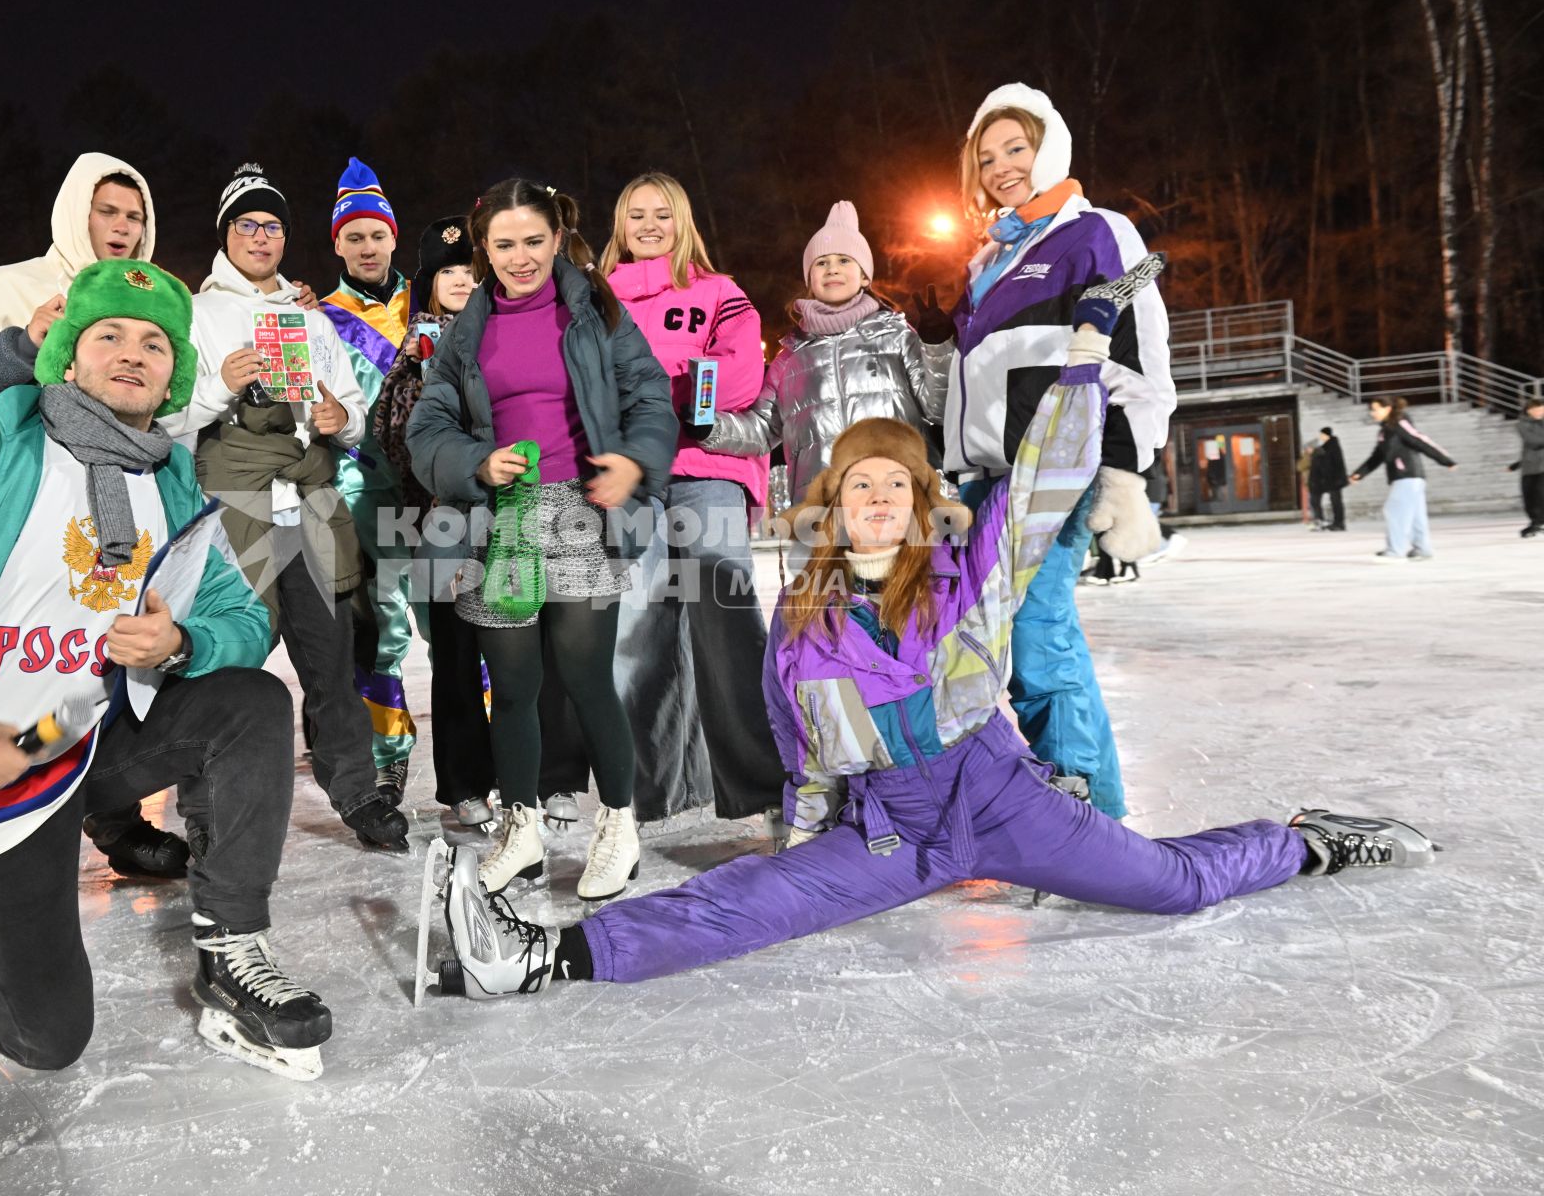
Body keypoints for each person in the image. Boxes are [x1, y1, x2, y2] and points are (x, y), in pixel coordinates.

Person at [437, 311, 1435, 1001]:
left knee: (1172, 884)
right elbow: (803, 741)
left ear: (921, 501)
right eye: (860, 481)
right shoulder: (806, 613)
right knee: (743, 904)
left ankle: (1307, 839)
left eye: (897, 483)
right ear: (833, 502)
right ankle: (539, 956)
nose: (878, 495)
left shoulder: (969, 577)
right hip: (889, 829)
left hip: (1006, 802)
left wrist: (1086, 354)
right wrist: (805, 835)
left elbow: (1046, 480)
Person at [0, 258, 331, 1080]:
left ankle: (233, 949)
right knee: (46, 1038)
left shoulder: (179, 492)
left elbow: (242, 619)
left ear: (175, 374)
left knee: (250, 702)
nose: (132, 353)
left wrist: (182, 644)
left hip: (89, 737)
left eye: (156, 343)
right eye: (109, 335)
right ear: (67, 352)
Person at [0, 152, 191, 879]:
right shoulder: (18, 285)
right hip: (20, 496)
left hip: (121, 497)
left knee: (113, 646)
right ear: (76, 213)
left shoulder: (150, 297)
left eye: (136, 216)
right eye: (108, 211)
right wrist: (25, 340)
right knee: (19, 653)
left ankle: (114, 813)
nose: (124, 227)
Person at [407, 179, 675, 901]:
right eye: (504, 245)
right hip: (504, 519)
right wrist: (474, 464)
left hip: (583, 509)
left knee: (585, 679)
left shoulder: (596, 311)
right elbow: (427, 428)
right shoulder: (468, 328)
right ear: (483, 247)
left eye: (533, 241)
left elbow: (649, 397)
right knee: (516, 689)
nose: (520, 258)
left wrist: (635, 461)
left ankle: (619, 824)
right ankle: (520, 833)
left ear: (558, 238)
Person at [929, 82, 1176, 822]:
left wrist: (1126, 475)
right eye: (987, 155)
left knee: (1037, 634)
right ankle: (1033, 796)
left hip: (1052, 474)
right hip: (982, 481)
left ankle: (1087, 814)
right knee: (974, 645)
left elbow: (1140, 353)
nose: (1002, 165)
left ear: (1050, 146)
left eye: (1017, 147)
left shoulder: (1098, 231)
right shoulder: (987, 260)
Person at [163, 164, 406, 851]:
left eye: (272, 225)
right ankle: (206, 806)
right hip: (234, 503)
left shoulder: (309, 316)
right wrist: (217, 387)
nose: (261, 237)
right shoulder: (197, 314)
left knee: (331, 656)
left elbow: (355, 415)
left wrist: (340, 418)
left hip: (312, 501)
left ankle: (358, 791)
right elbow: (172, 421)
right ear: (225, 233)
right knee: (224, 660)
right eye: (248, 224)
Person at [535, 171, 783, 827]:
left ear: (682, 224)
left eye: (661, 215)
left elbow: (736, 377)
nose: (648, 225)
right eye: (636, 215)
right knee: (637, 630)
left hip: (705, 470)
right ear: (620, 226)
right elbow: (578, 378)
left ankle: (763, 784)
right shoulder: (596, 297)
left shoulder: (718, 293)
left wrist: (650, 393)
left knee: (724, 615)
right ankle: (653, 793)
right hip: (631, 474)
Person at [702, 199, 951, 498]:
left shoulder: (896, 335)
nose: (832, 269)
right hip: (824, 507)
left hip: (899, 501)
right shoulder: (790, 357)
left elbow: (939, 408)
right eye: (821, 263)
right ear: (810, 280)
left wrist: (937, 346)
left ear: (864, 276)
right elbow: (761, 429)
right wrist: (710, 428)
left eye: (844, 260)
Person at [378, 217, 496, 828]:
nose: (459, 280)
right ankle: (463, 782)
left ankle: (516, 772)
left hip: (510, 513)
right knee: (453, 651)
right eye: (446, 272)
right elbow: (394, 440)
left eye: (469, 271)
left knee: (511, 648)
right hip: (444, 516)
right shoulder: (418, 345)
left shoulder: (504, 333)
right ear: (427, 285)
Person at [319, 157, 419, 804]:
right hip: (361, 489)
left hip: (435, 489)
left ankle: (492, 758)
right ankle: (388, 758)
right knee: (379, 634)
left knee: (465, 624)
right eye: (353, 236)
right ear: (337, 244)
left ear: (392, 236)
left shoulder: (437, 297)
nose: (366, 246)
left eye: (375, 234)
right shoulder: (316, 316)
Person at [1350, 397, 1457, 560]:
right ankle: (1422, 549)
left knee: (1394, 511)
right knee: (1415, 515)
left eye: (1375, 409)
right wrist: (1360, 473)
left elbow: (1420, 440)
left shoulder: (1399, 423)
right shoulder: (1385, 431)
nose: (1372, 413)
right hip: (1405, 477)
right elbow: (1377, 456)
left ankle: (1395, 550)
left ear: (1387, 408)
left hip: (1408, 475)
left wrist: (1445, 459)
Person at [1510, 396, 1544, 538]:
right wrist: (1516, 465)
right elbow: (1532, 442)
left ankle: (1537, 522)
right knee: (1529, 497)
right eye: (1536, 409)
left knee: (1541, 495)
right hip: (1530, 467)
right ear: (1529, 410)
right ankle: (1534, 522)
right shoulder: (1521, 425)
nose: (1539, 412)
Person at [1308, 427, 1348, 532]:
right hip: (1329, 479)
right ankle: (1336, 522)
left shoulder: (1332, 446)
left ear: (1327, 435)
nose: (1321, 437)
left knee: (1336, 501)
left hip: (1334, 479)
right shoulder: (1328, 446)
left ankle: (1339, 523)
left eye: (1322, 435)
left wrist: (1316, 453)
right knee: (1333, 501)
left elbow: (1331, 463)